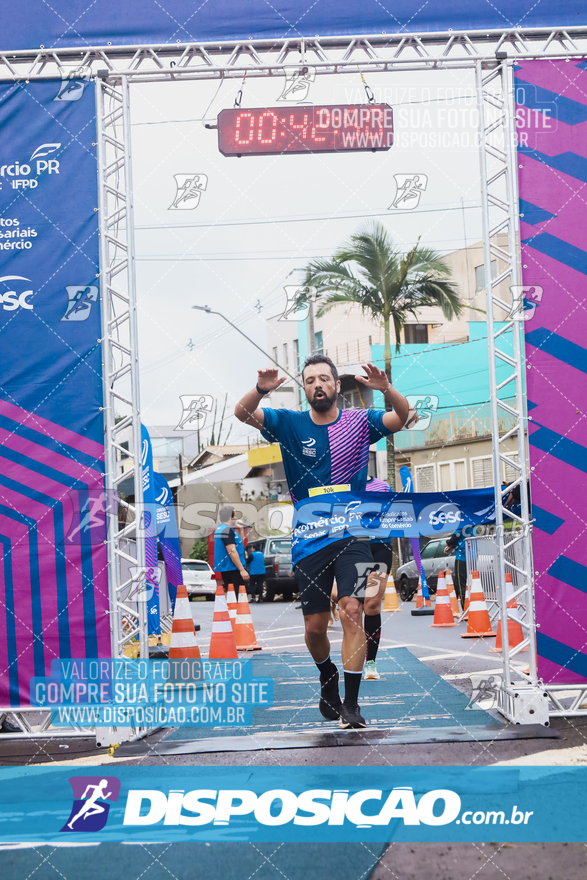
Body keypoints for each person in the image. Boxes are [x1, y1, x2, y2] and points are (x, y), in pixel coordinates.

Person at [235, 355, 410, 729]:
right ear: (304, 388)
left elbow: (402, 416)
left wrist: (386, 390)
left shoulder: (359, 422)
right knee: (315, 628)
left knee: (352, 610)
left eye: (324, 379)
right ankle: (326, 674)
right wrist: (262, 390)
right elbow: (242, 413)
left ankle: (352, 703)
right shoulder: (288, 422)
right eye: (310, 379)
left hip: (354, 534)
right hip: (309, 537)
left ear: (335, 385)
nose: (318, 384)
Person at [362, 474, 394, 680]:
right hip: (353, 547)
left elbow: (398, 514)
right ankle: (353, 656)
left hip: (379, 547)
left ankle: (370, 662)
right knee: (353, 605)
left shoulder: (382, 487)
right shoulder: (341, 482)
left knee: (372, 604)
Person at [213, 507, 250, 593]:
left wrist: (240, 529)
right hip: (233, 569)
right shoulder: (227, 530)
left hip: (230, 568)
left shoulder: (222, 529)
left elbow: (237, 543)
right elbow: (232, 551)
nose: (236, 518)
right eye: (235, 515)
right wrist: (242, 570)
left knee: (233, 597)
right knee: (238, 597)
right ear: (230, 516)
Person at [445, 529, 467, 610]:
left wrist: (448, 544)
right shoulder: (473, 524)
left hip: (461, 557)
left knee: (462, 584)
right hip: (473, 557)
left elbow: (453, 540)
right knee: (472, 583)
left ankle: (465, 608)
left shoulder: (460, 525)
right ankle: (474, 608)